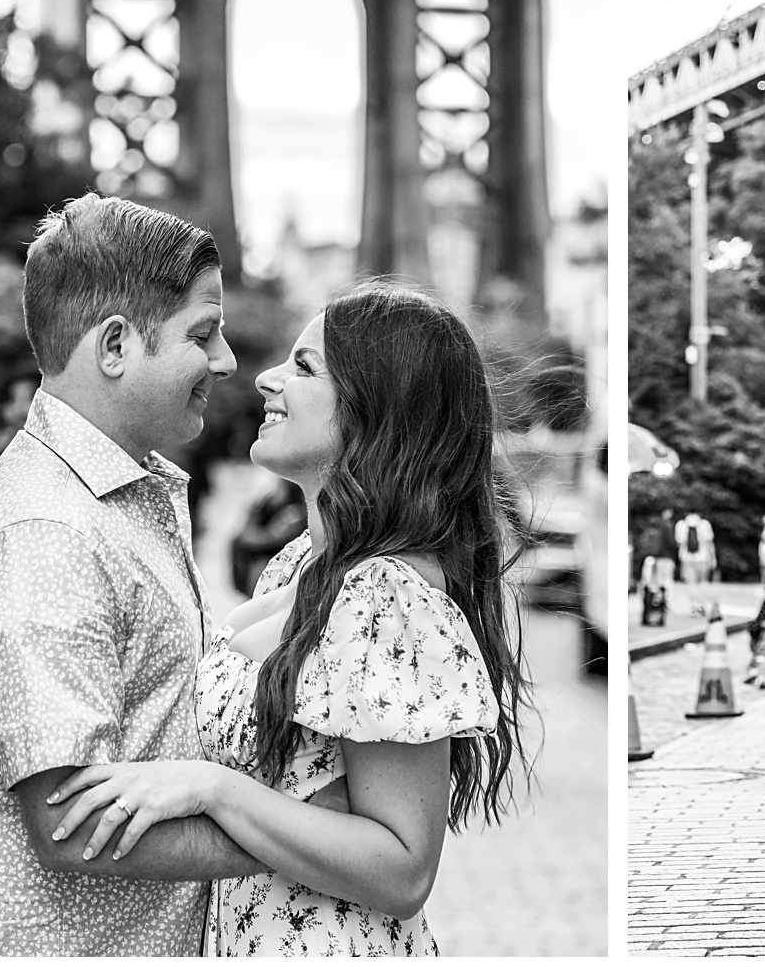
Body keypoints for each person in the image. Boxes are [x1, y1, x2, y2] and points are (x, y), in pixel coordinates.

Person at [47, 281, 529, 956]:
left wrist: (213, 789)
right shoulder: (299, 561)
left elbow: (403, 868)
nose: (267, 378)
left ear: (374, 412)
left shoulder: (386, 596)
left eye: (303, 368)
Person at [0, 194, 265, 955]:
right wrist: (298, 834)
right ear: (115, 345)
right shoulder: (45, 534)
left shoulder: (116, 499)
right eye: (201, 333)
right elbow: (74, 825)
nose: (227, 360)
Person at [673, 510, 715, 614]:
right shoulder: (705, 524)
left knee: (690, 583)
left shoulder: (680, 525)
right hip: (703, 557)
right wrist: (713, 558)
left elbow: (679, 543)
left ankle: (693, 606)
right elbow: (709, 543)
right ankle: (701, 604)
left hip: (686, 558)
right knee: (702, 582)